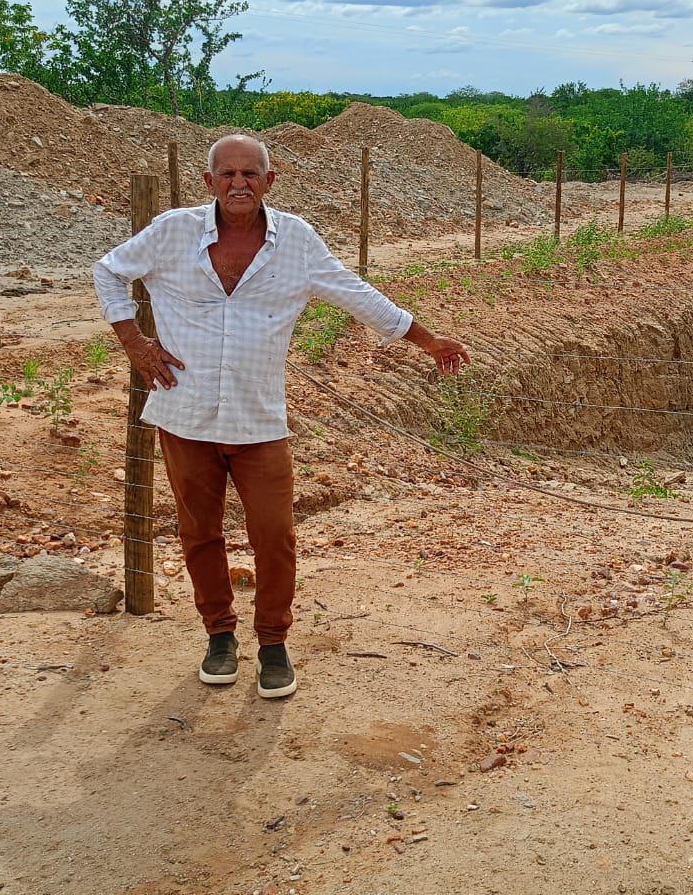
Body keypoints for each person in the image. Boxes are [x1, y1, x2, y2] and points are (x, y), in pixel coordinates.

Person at [93, 134, 470, 699]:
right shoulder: (172, 230)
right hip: (185, 414)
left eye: (251, 174)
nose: (239, 183)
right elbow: (108, 270)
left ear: (271, 181)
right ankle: (219, 637)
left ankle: (273, 644)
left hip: (257, 421)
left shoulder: (295, 240)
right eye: (228, 174)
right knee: (199, 533)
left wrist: (427, 339)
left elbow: (355, 292)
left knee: (275, 535)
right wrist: (135, 343)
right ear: (209, 182)